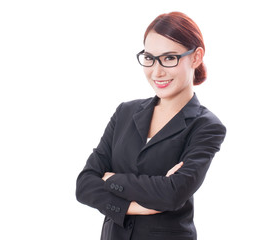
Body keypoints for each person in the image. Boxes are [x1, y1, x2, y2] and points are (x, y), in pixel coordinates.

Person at [76, 11, 226, 240]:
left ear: (196, 57)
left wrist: (111, 180)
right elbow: (85, 185)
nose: (157, 71)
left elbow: (173, 194)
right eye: (149, 58)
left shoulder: (206, 126)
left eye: (169, 58)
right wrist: (133, 207)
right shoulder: (125, 112)